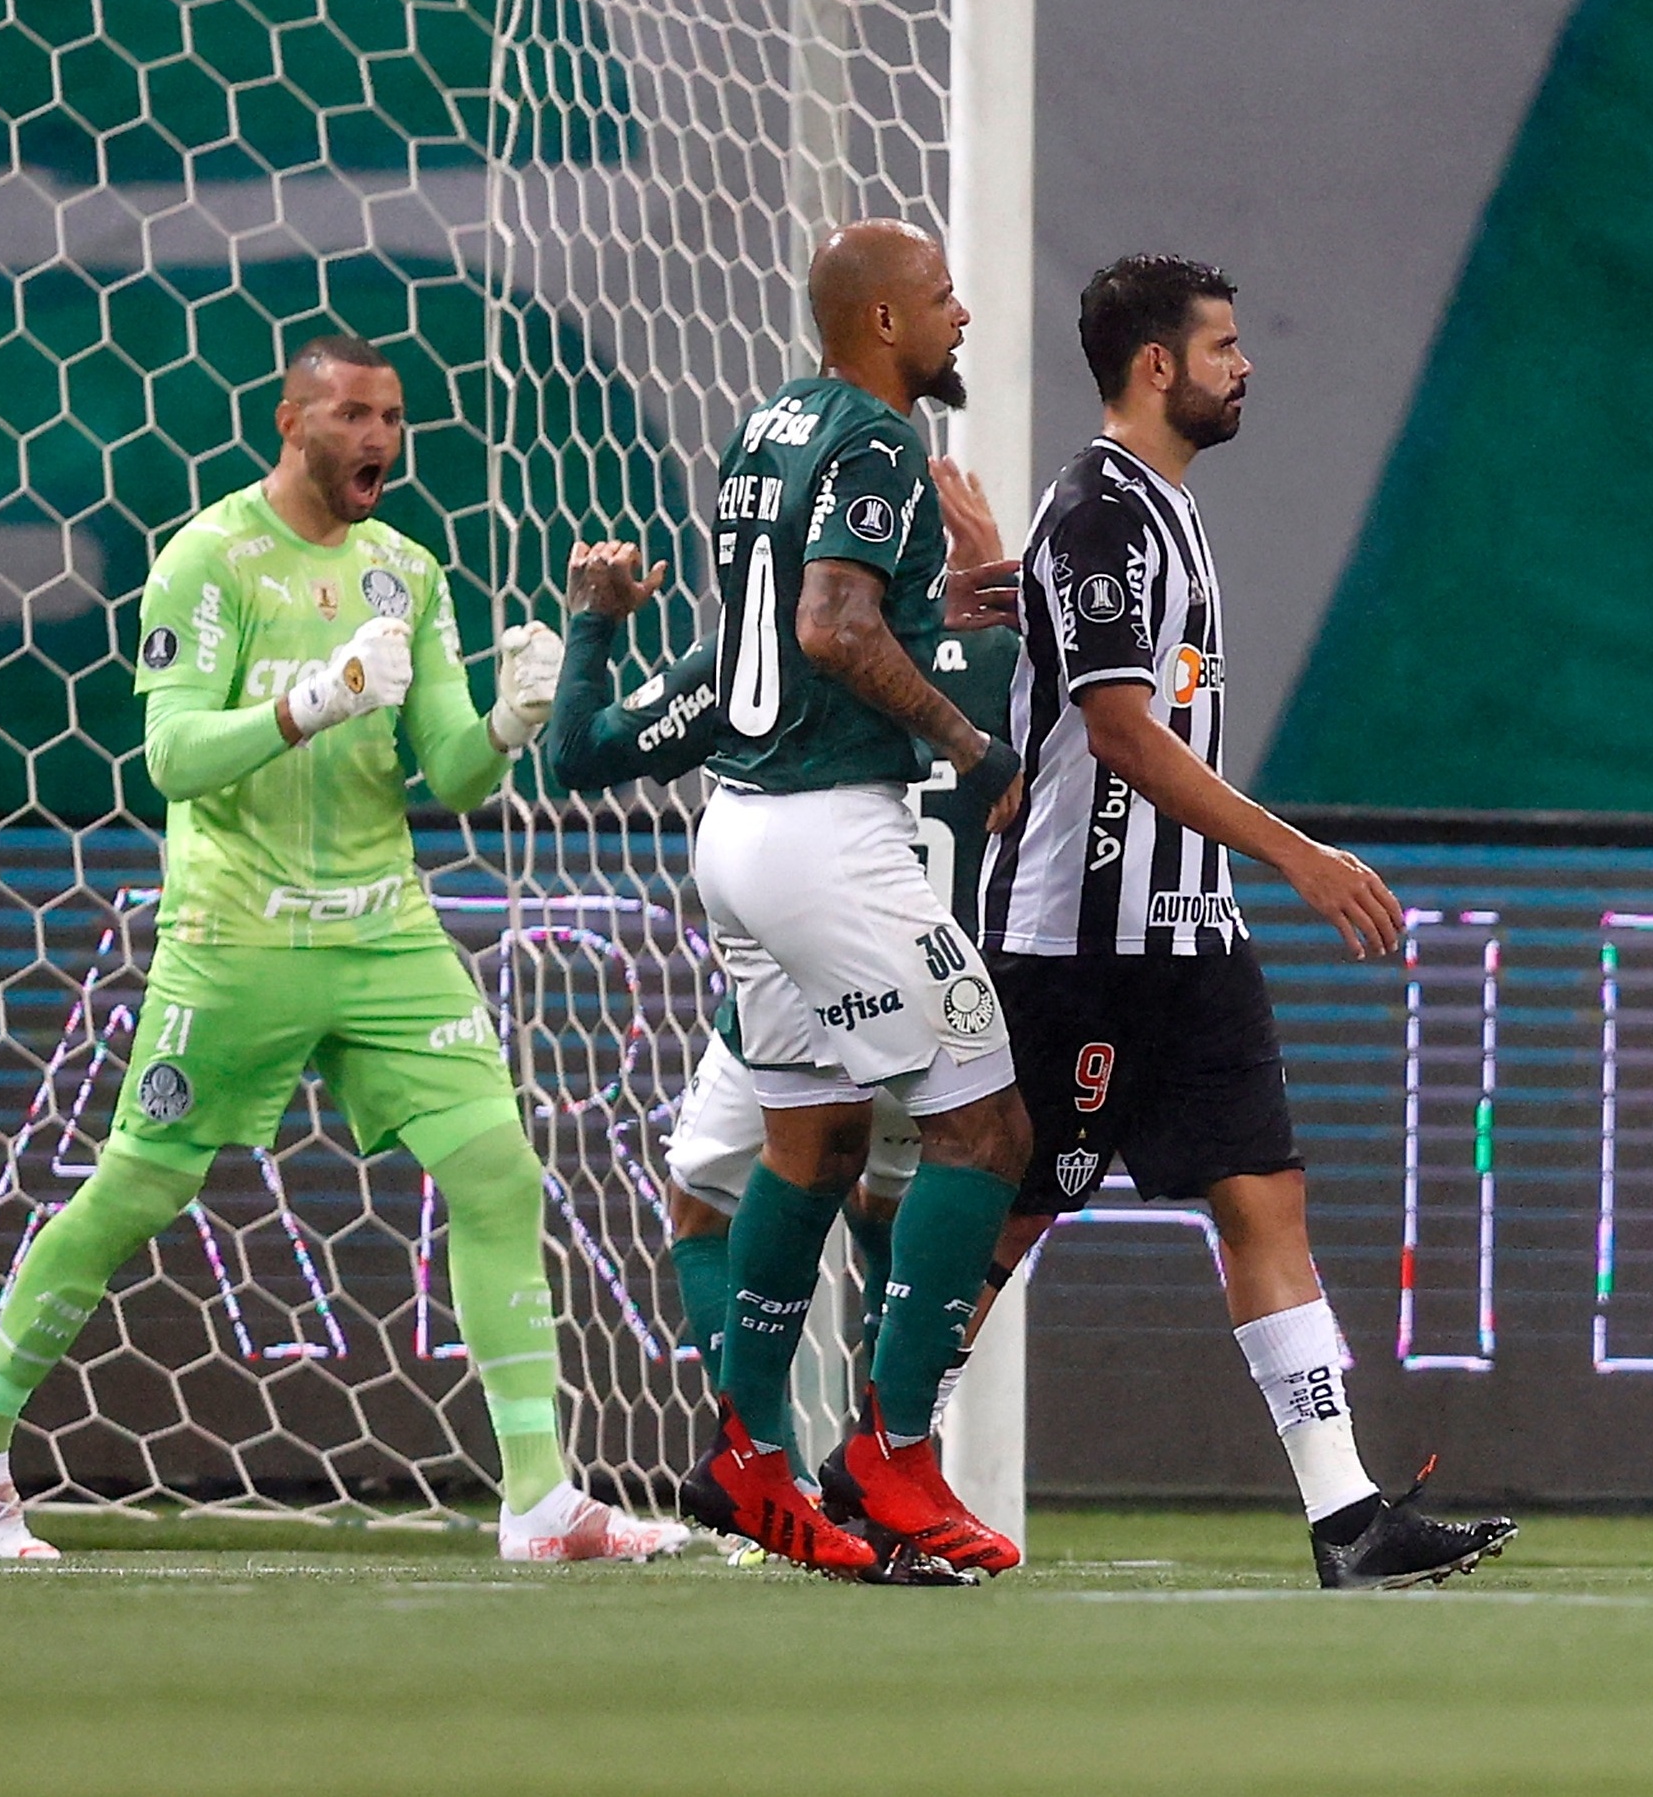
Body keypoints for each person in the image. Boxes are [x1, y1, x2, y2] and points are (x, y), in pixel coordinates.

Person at [0, 336, 687, 1565]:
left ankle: (541, 1501)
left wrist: (510, 719)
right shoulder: (209, 558)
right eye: (351, 414)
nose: (378, 437)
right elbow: (172, 758)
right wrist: (313, 700)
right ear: (291, 421)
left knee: (498, 1169)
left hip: (385, 925)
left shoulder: (408, 568)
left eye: (392, 416)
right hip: (238, 930)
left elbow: (446, 766)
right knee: (143, 1184)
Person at [975, 254, 1517, 1591]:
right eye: (1220, 344)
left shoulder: (1155, 508)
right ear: (1155, 366)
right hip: (1081, 945)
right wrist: (1298, 855)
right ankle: (873, 1458)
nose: (1244, 361)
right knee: (1008, 1214)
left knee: (1263, 1196)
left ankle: (1346, 1519)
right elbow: (1116, 735)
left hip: (1186, 936)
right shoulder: (1102, 509)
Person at [676, 219, 1032, 1580]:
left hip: (738, 825)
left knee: (811, 1144)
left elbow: (798, 617)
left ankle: (750, 1456)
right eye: (941, 297)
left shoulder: (767, 421)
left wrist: (931, 609)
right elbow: (831, 623)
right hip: (833, 831)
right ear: (881, 322)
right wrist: (965, 737)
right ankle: (889, 1452)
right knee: (984, 1124)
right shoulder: (881, 441)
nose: (957, 316)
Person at [542, 459, 1019, 1402]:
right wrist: (1002, 581)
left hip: (806, 992)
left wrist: (593, 624)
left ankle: (766, 1465)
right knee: (896, 1197)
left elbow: (576, 751)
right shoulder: (1009, 662)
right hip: (943, 1003)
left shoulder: (750, 666)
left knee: (702, 1197)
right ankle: (893, 1458)